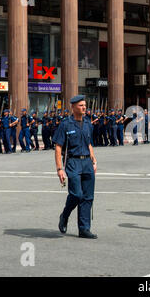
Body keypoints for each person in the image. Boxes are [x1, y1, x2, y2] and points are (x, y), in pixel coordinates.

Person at [54, 95, 98, 239]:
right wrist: (59, 169)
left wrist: (94, 159)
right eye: (80, 105)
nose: (84, 108)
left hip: (87, 162)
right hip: (72, 162)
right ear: (73, 107)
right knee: (76, 194)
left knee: (88, 197)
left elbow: (89, 143)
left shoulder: (88, 123)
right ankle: (65, 215)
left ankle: (84, 229)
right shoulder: (65, 124)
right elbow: (58, 147)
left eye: (85, 105)